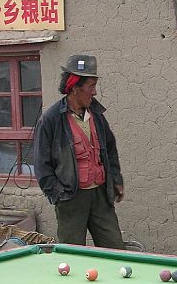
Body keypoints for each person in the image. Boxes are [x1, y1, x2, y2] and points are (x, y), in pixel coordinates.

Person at [32, 54, 125, 248]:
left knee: (115, 247)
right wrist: (58, 194)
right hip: (71, 197)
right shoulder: (51, 119)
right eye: (91, 86)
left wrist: (115, 179)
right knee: (72, 252)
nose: (95, 92)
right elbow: (42, 165)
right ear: (75, 87)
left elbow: (110, 148)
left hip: (100, 194)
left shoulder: (96, 115)